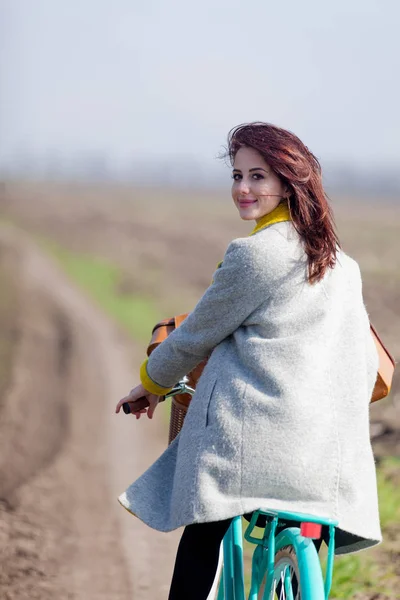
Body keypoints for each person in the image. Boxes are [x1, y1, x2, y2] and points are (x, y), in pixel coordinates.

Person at [115, 122, 381, 599]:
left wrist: (150, 384)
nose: (242, 188)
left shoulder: (254, 254)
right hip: (328, 455)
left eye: (258, 176)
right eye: (236, 175)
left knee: (204, 528)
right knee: (306, 527)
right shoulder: (344, 263)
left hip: (257, 450)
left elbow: (194, 336)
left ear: (287, 181)